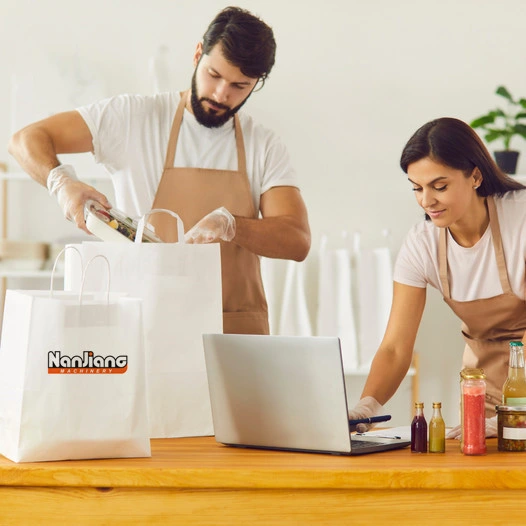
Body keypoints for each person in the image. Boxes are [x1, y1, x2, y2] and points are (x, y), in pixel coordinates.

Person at [7, 6, 311, 336]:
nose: (222, 94)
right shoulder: (134, 119)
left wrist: (232, 225)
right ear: (198, 54)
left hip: (232, 336)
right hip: (146, 330)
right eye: (214, 75)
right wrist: (61, 182)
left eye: (240, 85)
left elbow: (297, 240)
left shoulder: (263, 146)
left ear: (257, 83)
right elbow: (26, 139)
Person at [347, 117, 526, 438]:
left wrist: (516, 411)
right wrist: (367, 405)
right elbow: (395, 347)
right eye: (417, 188)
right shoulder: (422, 243)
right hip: (483, 385)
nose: (426, 201)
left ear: (475, 176)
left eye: (439, 186)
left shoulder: (521, 219)